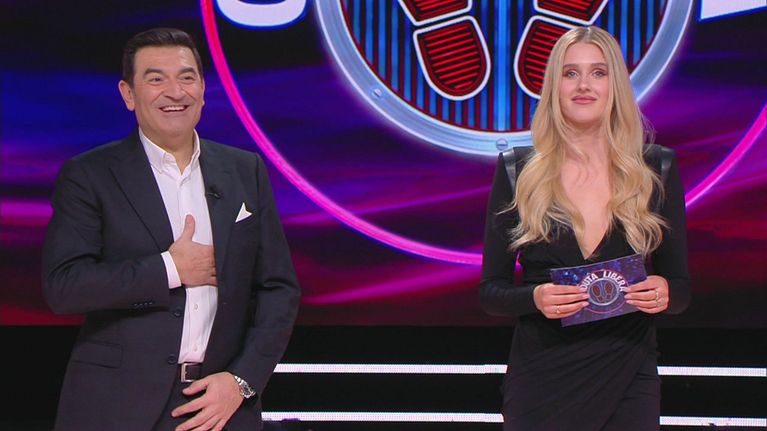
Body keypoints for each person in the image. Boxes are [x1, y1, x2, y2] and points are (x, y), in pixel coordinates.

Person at [42, 28, 301, 431]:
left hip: (219, 405)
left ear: (203, 89)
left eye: (186, 77)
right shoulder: (90, 175)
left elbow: (278, 288)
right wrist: (170, 268)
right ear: (128, 94)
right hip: (116, 406)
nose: (175, 92)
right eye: (156, 78)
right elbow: (65, 286)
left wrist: (242, 381)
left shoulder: (243, 170)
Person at [479, 26, 690, 431]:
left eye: (598, 72)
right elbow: (491, 292)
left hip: (628, 368)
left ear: (615, 85)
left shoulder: (656, 169)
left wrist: (664, 292)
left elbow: (680, 290)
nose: (584, 85)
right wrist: (535, 297)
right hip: (542, 376)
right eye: (570, 73)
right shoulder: (518, 171)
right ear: (554, 87)